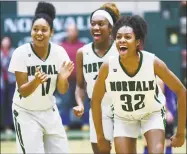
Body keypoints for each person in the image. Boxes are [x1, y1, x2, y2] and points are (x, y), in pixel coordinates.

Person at [92, 15, 186, 154]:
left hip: (151, 114)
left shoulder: (153, 62)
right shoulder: (108, 66)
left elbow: (181, 91)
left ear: (137, 42)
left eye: (127, 37)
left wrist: (180, 133)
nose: (122, 40)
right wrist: (100, 136)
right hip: (123, 117)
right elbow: (96, 100)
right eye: (118, 37)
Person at [8, 2, 73, 153]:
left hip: (49, 110)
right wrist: (36, 81)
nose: (39, 33)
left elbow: (63, 90)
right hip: (26, 113)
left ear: (51, 32)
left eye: (44, 30)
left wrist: (63, 78)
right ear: (30, 31)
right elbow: (23, 91)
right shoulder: (20, 53)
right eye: (35, 29)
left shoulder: (59, 52)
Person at [73, 3, 120, 154]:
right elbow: (80, 86)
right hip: (98, 110)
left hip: (121, 109)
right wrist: (80, 104)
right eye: (93, 24)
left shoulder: (120, 49)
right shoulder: (82, 52)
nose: (96, 27)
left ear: (111, 28)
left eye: (101, 24)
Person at [57, 23, 84, 129]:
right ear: (67, 32)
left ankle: (82, 124)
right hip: (66, 80)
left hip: (79, 80)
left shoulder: (82, 46)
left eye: (74, 30)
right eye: (70, 30)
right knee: (65, 102)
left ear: (76, 32)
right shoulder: (61, 46)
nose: (72, 32)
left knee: (80, 101)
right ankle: (65, 123)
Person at [0, 36, 16, 136]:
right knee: (3, 104)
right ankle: (4, 126)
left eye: (7, 41)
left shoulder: (13, 52)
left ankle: (11, 126)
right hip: (2, 83)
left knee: (12, 104)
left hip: (12, 82)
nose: (5, 43)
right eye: (4, 41)